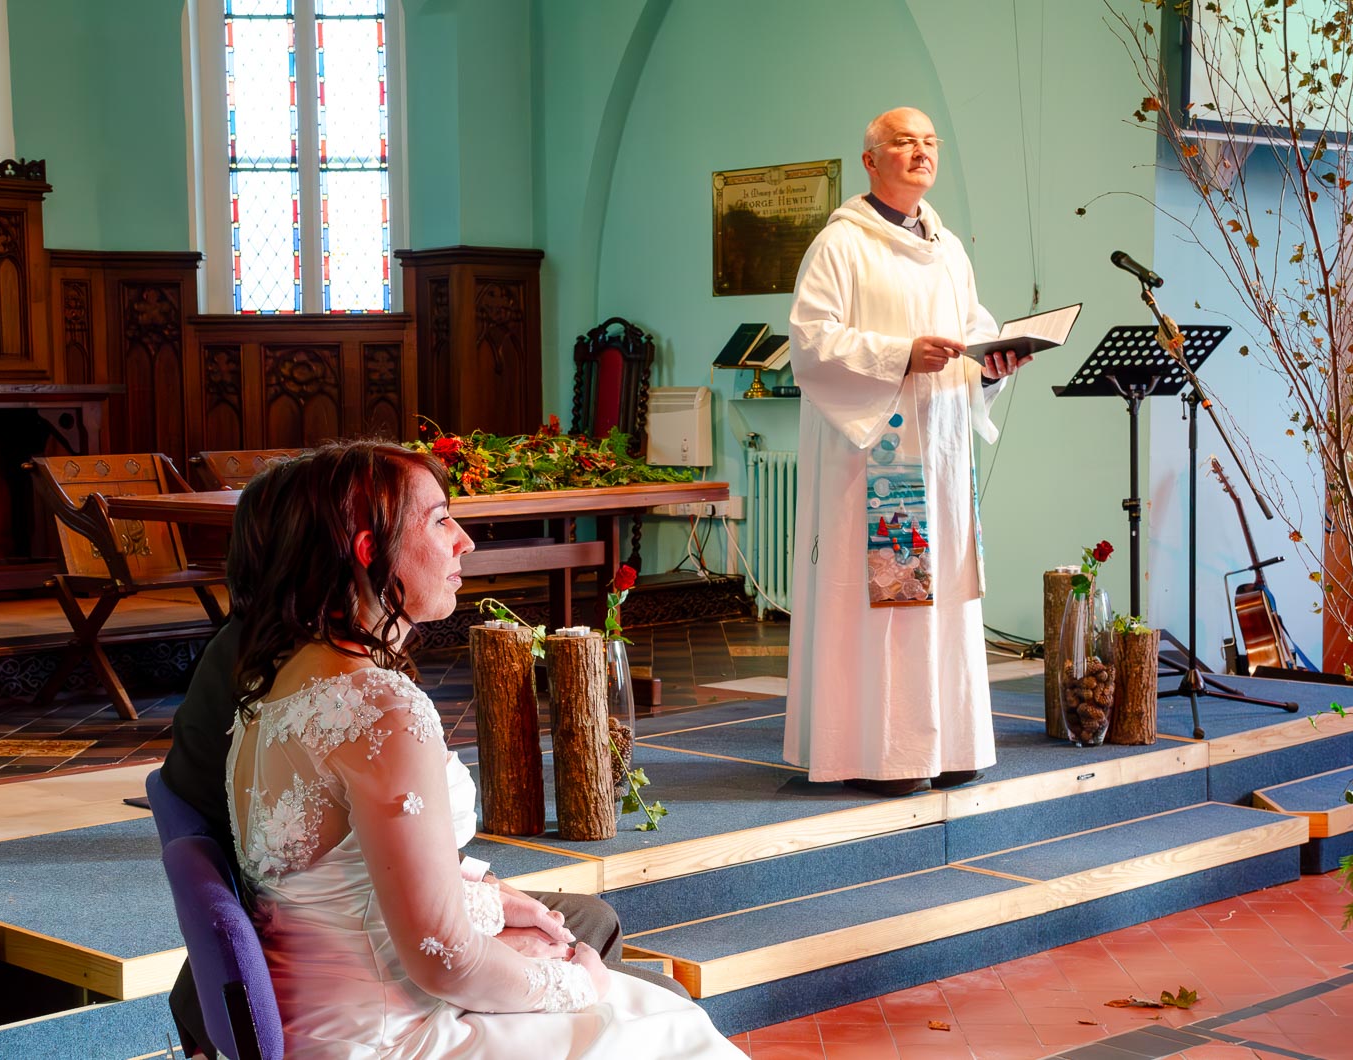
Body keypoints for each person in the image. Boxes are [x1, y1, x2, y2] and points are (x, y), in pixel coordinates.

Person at [222, 439, 738, 1058]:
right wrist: (574, 981)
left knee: (644, 1001)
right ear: (370, 552)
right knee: (666, 1026)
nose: (465, 540)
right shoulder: (379, 709)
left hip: (320, 1022)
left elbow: (342, 883)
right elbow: (443, 960)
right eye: (441, 519)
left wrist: (492, 904)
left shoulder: (278, 690)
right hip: (395, 1035)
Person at [783, 107, 1031, 797]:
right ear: (870, 159)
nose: (921, 152)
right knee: (893, 599)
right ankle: (882, 753)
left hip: (944, 455)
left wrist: (992, 363)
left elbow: (972, 330)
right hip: (880, 465)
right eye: (904, 142)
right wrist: (901, 354)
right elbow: (811, 341)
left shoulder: (947, 245)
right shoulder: (842, 244)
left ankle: (949, 743)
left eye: (930, 142)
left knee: (942, 596)